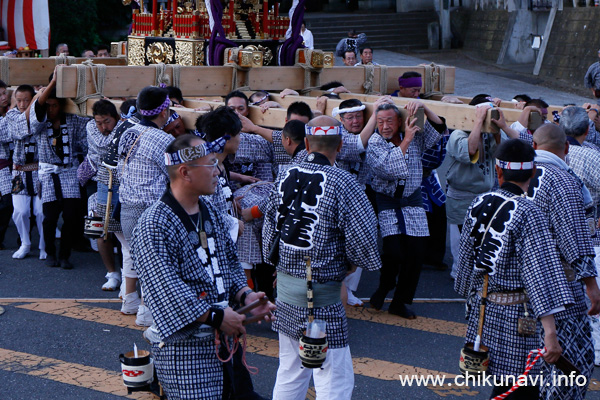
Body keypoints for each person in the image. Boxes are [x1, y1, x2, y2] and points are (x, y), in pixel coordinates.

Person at [132, 133, 275, 400]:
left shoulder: (208, 210)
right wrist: (217, 317)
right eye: (210, 164)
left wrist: (246, 295)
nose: (217, 172)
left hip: (222, 341)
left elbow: (229, 263)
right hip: (184, 350)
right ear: (185, 172)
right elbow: (165, 290)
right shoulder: (154, 223)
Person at [262, 115, 381, 400]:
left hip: (287, 290)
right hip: (323, 295)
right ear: (340, 145)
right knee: (333, 377)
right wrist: (351, 262)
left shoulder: (285, 174)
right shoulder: (344, 182)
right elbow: (365, 244)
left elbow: (268, 237)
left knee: (291, 370)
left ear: (306, 143)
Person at [455, 139, 574, 399]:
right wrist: (551, 334)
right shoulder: (529, 213)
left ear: (498, 171)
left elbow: (464, 267)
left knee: (506, 387)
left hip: (484, 311)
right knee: (520, 389)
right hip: (518, 319)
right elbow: (540, 275)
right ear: (533, 172)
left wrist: (471, 304)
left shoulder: (479, 202)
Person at [527, 124, 600, 399]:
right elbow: (575, 239)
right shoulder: (564, 181)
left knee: (526, 365)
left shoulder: (515, 175)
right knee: (572, 364)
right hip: (560, 284)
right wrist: (591, 286)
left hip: (514, 287)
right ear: (566, 148)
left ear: (533, 146)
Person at [367, 102, 445, 318]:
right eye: (380, 121)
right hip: (388, 202)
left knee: (416, 253)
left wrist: (425, 108)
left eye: (389, 121)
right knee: (394, 252)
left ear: (399, 121)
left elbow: (438, 130)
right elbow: (387, 169)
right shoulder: (375, 142)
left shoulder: (415, 134)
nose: (384, 126)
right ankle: (385, 286)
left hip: (413, 200)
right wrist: (407, 139)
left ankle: (399, 301)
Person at [118, 85, 173, 325]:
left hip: (127, 206)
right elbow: (174, 175)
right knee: (154, 262)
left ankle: (129, 300)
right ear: (164, 112)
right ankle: (146, 311)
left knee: (134, 254)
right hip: (151, 210)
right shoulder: (164, 139)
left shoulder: (126, 130)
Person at [30, 69, 89, 269]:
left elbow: (85, 140)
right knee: (50, 217)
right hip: (48, 173)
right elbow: (37, 109)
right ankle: (49, 252)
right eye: (48, 105)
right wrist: (53, 82)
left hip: (69, 171)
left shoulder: (73, 119)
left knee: (71, 217)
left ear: (61, 105)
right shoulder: (39, 123)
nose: (50, 109)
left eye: (54, 105)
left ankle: (65, 254)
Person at [86, 100, 121, 290]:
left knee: (122, 230)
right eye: (99, 122)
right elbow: (102, 145)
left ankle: (126, 273)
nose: (102, 127)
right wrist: (124, 127)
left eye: (107, 121)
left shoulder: (124, 125)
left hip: (122, 184)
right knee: (98, 229)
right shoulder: (90, 127)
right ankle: (111, 273)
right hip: (97, 181)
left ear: (116, 117)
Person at [9, 84, 45, 259]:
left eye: (26, 100)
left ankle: (44, 245)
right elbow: (19, 131)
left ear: (33, 100)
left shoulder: (40, 115)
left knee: (40, 211)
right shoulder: (11, 115)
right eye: (19, 100)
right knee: (20, 211)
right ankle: (25, 243)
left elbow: (36, 125)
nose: (22, 104)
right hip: (19, 172)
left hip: (39, 170)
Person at [0, 79, 12, 250]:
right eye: (1, 94)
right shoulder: (8, 116)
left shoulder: (7, 114)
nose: (5, 97)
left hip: (7, 166)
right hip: (2, 164)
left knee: (8, 203)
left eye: (5, 93)